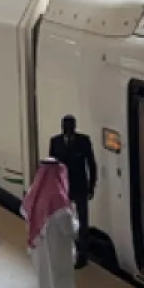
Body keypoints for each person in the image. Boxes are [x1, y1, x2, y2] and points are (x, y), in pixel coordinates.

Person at [23, 158, 85, 288]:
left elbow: (25, 213)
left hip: (42, 257)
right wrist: (76, 217)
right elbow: (70, 229)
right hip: (59, 258)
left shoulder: (34, 194)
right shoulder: (58, 198)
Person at [48, 115, 97, 268]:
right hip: (63, 187)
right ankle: (64, 250)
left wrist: (91, 185)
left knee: (83, 221)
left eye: (69, 126)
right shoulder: (55, 142)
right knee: (62, 219)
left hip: (80, 186)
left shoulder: (84, 141)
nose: (67, 129)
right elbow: (52, 166)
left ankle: (82, 255)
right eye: (65, 126)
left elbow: (91, 163)